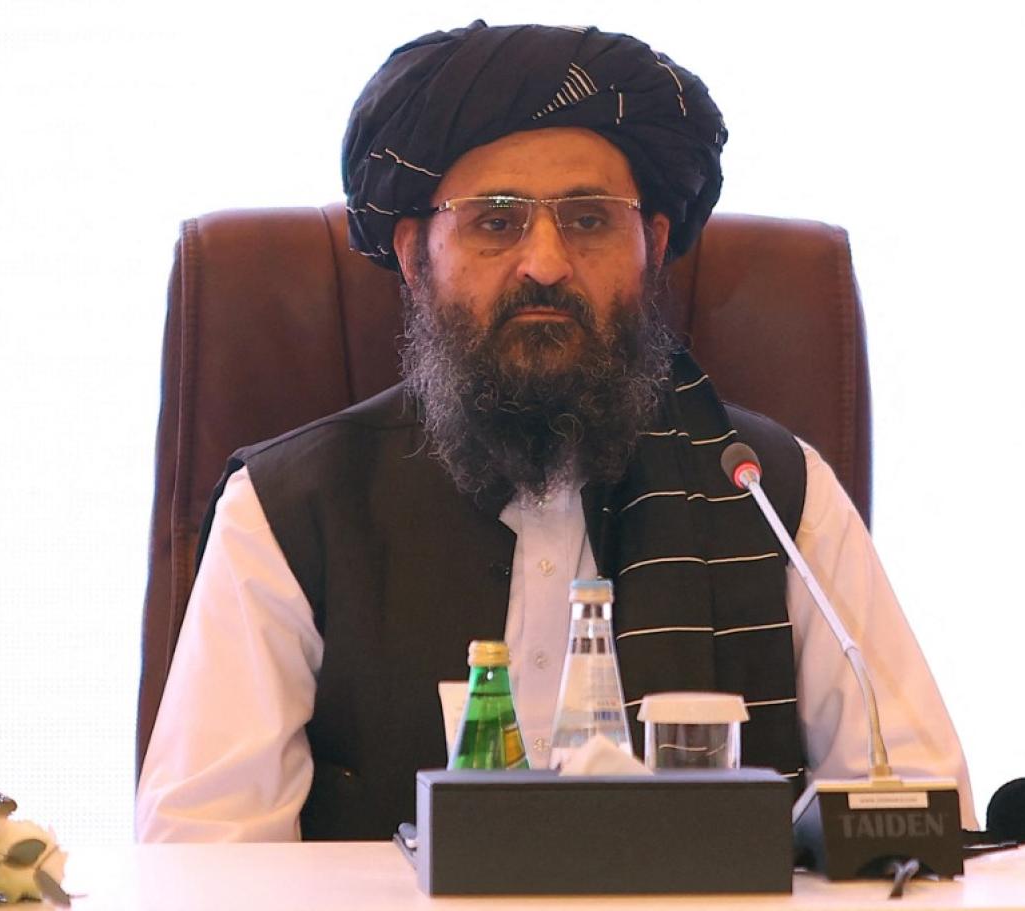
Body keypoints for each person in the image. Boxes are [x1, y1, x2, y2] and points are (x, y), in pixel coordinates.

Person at [136, 21, 974, 842]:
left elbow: (918, 817)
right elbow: (204, 864)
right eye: (496, 221)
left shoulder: (767, 491)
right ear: (416, 257)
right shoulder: (286, 513)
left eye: (589, 219)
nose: (544, 262)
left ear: (651, 247)